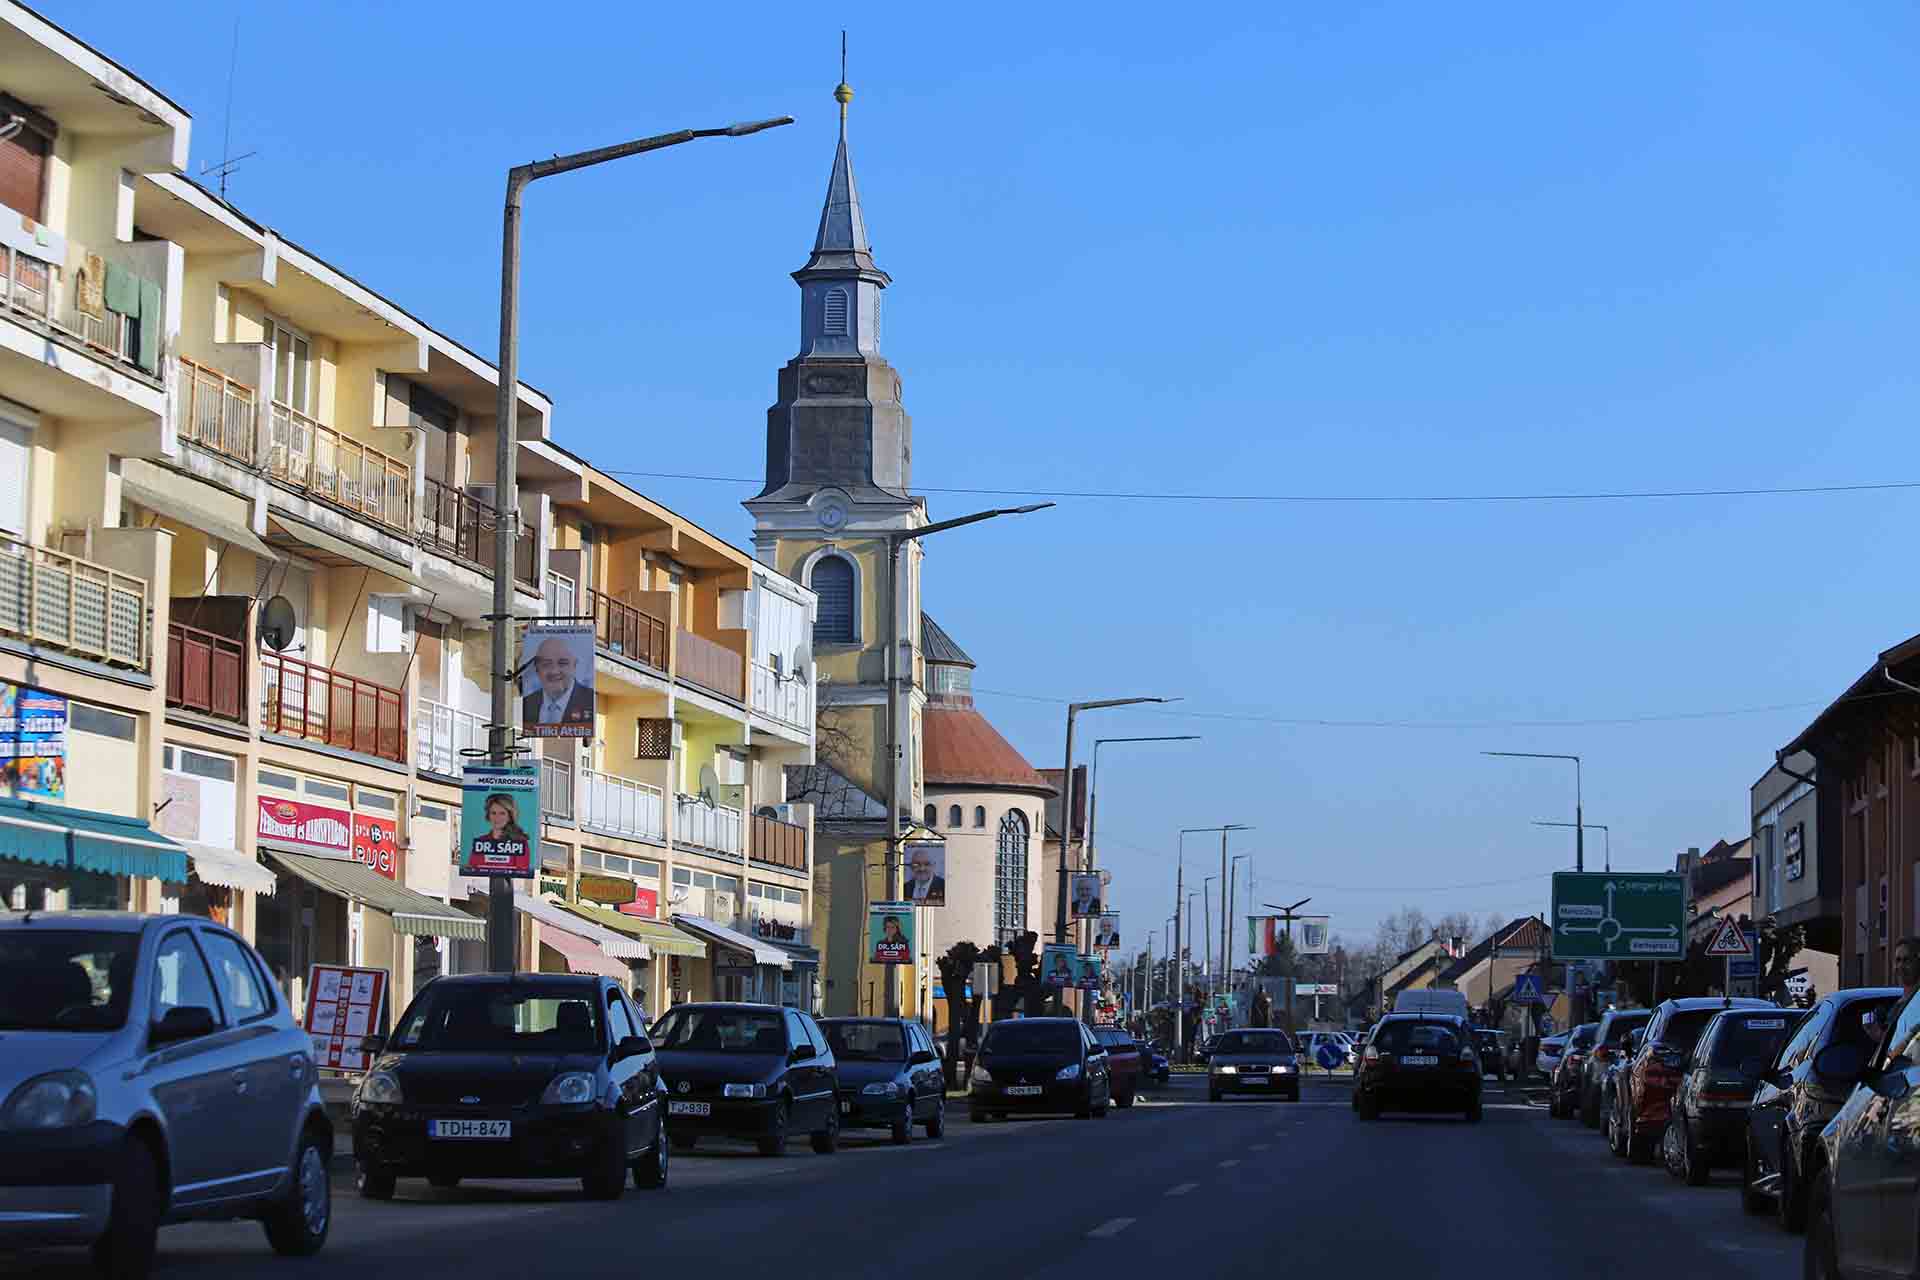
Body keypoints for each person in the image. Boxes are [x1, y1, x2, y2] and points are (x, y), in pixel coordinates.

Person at [522, 634, 593, 730]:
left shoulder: (589, 701)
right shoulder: (528, 703)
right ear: (537, 668)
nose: (554, 671)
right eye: (546, 664)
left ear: (574, 665)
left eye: (562, 663)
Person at [469, 793, 530, 867]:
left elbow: (521, 872)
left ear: (510, 816)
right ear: (488, 815)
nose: (497, 818)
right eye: (493, 813)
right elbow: (472, 869)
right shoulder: (480, 842)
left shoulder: (519, 843)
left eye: (502, 813)